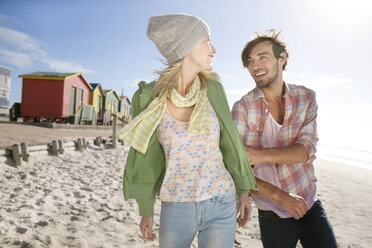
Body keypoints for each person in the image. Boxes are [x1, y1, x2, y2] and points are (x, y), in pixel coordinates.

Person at [119, 14, 257, 248]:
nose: (214, 49)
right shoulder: (149, 98)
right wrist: (146, 208)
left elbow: (230, 143)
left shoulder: (213, 89)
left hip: (221, 202)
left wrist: (243, 189)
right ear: (187, 45)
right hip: (176, 206)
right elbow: (146, 158)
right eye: (207, 40)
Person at [232, 30, 338, 248]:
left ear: (282, 59)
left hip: (309, 199)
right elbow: (238, 170)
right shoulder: (243, 107)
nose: (255, 66)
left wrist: (259, 155)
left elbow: (306, 150)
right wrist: (279, 197)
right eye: (250, 61)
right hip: (272, 209)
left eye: (263, 57)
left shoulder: (306, 97)